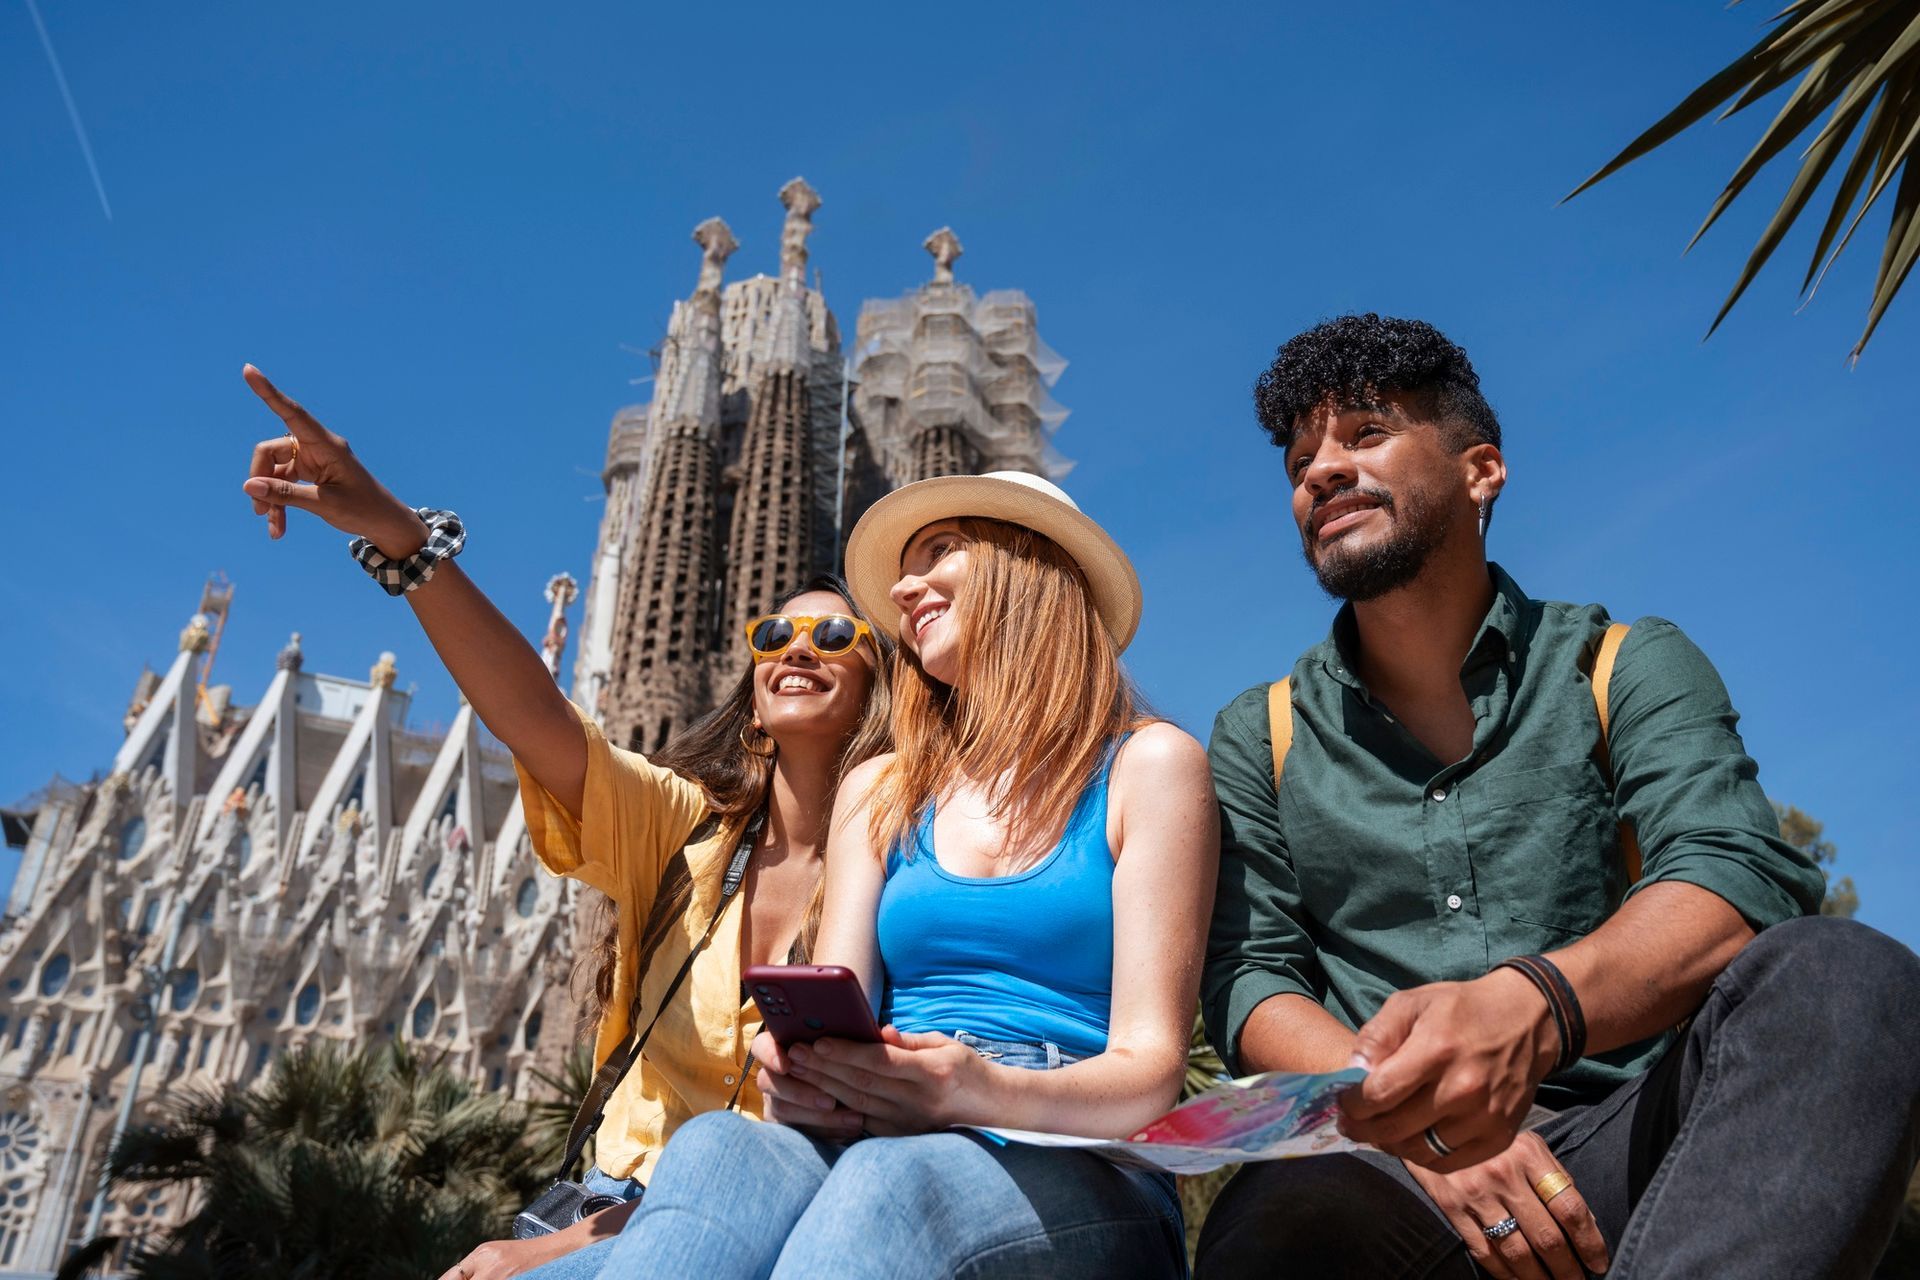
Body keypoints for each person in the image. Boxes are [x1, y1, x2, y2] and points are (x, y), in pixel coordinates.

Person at [1194, 314, 1920, 1279]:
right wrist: (1414, 1122)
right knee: (1283, 1208)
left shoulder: (1625, 664)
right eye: (1299, 461)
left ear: (1479, 470)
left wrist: (1533, 1007)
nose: (1321, 471)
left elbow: (1735, 877)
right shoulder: (1262, 733)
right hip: (1389, 1175)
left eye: (1366, 435)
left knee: (1845, 978)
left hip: (1642, 1153)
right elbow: (1251, 978)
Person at [234, 366, 892, 1280]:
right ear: (749, 697)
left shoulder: (912, 868)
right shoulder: (684, 833)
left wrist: (554, 1249)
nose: (795, 651)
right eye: (774, 637)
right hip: (618, 1208)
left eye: (833, 638)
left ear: (879, 687)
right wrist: (402, 537)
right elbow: (532, 715)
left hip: (777, 1223)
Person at [570, 470, 1218, 1278]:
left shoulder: (1149, 764)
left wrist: (972, 1089)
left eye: (939, 552)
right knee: (721, 1145)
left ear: (1031, 566)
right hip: (882, 1129)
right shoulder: (882, 787)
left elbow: (1151, 1075)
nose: (904, 587)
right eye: (905, 568)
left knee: (890, 1183)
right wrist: (801, 1077)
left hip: (1080, 1159)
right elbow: (837, 1000)